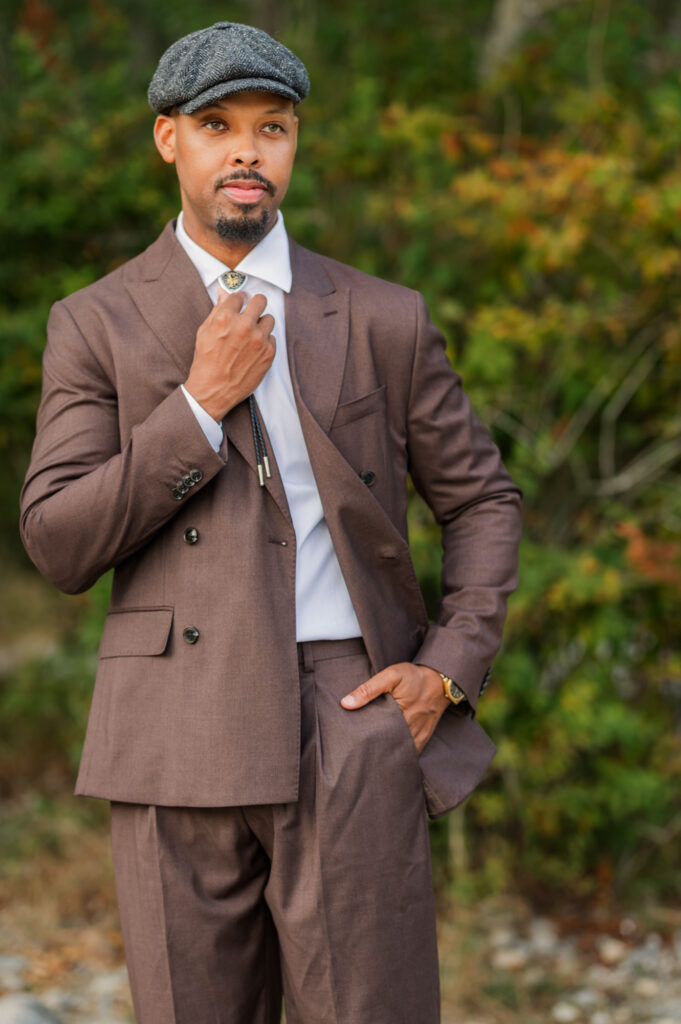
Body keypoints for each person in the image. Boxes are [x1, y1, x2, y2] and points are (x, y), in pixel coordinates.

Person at [20, 21, 522, 1024]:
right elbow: (59, 540)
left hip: (350, 713)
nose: (248, 149)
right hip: (172, 727)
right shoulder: (97, 323)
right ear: (170, 139)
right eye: (218, 124)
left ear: (294, 143)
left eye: (274, 126)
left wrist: (449, 664)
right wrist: (199, 406)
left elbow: (482, 499)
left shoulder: (384, 317)